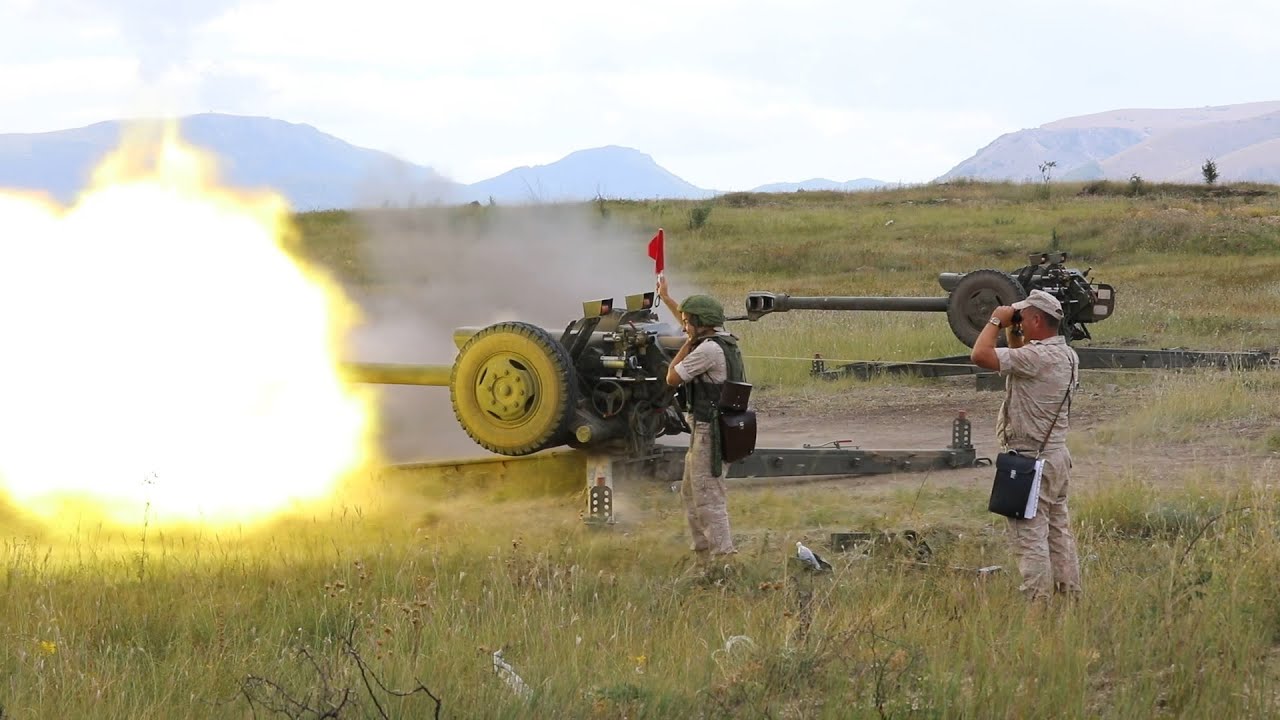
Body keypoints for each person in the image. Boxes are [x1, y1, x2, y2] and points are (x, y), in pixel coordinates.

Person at [970, 289, 1081, 601]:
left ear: (1035, 319)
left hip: (1031, 462)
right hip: (1057, 457)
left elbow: (980, 356)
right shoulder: (1067, 355)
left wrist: (995, 320)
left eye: (1021, 316)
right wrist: (1015, 332)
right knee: (1059, 535)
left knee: (1029, 539)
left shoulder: (1037, 357)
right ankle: (1068, 600)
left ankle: (1037, 607)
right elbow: (1018, 363)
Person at [656, 276, 745, 568]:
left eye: (687, 321)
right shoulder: (723, 341)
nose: (683, 325)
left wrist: (687, 342)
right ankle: (704, 557)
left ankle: (724, 561)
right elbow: (691, 325)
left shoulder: (706, 350)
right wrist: (666, 297)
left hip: (710, 431)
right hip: (711, 427)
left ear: (700, 324)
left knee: (708, 497)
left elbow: (672, 376)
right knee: (691, 493)